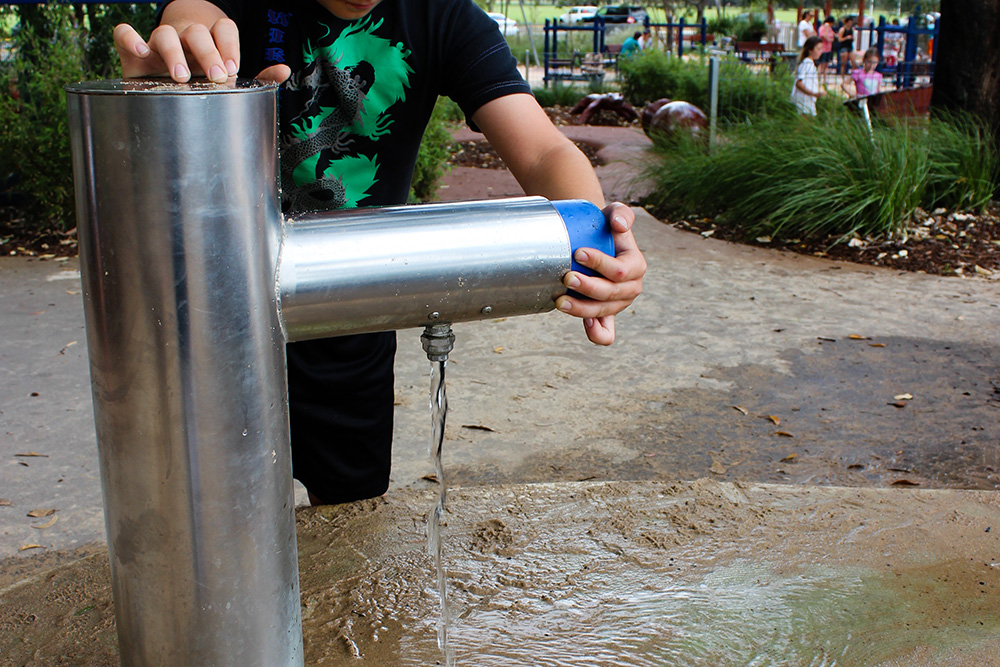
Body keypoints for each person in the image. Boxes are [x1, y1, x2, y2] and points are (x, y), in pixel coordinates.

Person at [113, 0, 645, 506]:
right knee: (216, 513)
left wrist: (593, 242)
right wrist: (175, 69)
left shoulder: (445, 17)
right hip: (211, 312)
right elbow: (192, 16)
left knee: (346, 510)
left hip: (354, 305)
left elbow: (544, 148)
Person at [790, 36, 826, 116]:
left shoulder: (810, 64)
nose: (821, 52)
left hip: (808, 99)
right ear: (810, 50)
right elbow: (798, 83)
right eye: (818, 49)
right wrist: (813, 93)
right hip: (804, 99)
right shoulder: (807, 63)